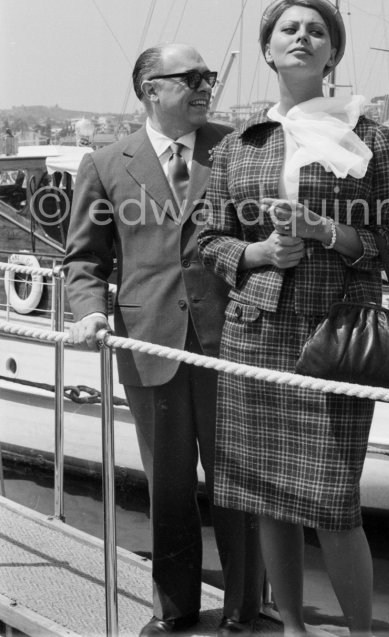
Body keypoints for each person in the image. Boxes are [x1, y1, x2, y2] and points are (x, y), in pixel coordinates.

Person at [198, 0, 389, 637]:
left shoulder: (371, 137)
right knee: (269, 499)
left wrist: (329, 232)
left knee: (337, 505)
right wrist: (259, 250)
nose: (302, 37)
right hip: (256, 335)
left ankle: (361, 634)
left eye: (316, 30)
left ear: (333, 51)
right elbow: (209, 239)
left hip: (336, 335)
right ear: (268, 50)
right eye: (288, 29)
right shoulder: (240, 145)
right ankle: (291, 627)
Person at [63, 43, 263, 637]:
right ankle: (173, 611)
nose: (206, 86)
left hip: (231, 340)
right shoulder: (104, 164)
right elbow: (85, 260)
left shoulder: (236, 149)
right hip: (150, 342)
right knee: (168, 483)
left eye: (210, 77)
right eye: (192, 78)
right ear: (151, 89)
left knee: (238, 480)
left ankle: (245, 612)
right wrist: (88, 313)